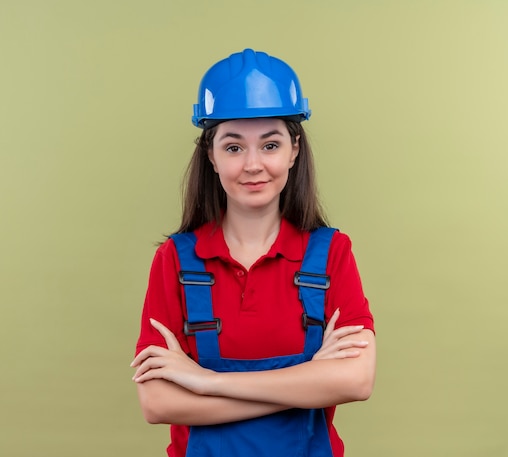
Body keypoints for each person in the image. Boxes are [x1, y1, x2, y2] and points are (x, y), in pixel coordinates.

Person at [131, 48, 375, 457]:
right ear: (210, 155)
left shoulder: (333, 253)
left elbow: (356, 382)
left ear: (294, 150)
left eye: (270, 144)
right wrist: (310, 380)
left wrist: (205, 381)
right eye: (233, 147)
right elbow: (158, 404)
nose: (252, 165)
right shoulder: (175, 260)